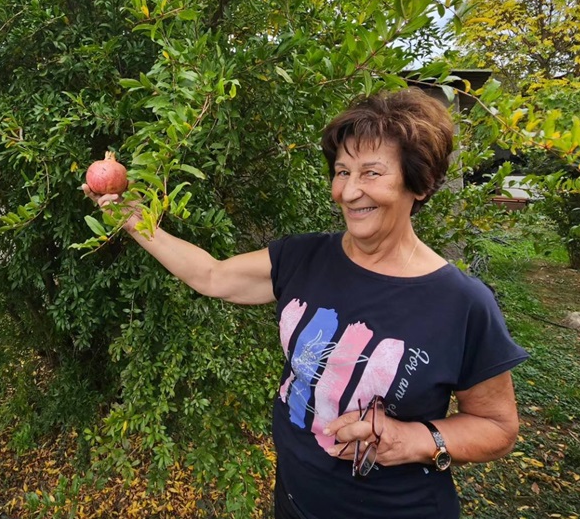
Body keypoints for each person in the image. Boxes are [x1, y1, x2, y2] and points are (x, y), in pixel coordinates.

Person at [82, 88, 528, 519]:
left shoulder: (460, 303)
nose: (350, 191)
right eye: (342, 171)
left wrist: (414, 439)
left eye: (371, 173)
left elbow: (498, 428)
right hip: (295, 500)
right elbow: (212, 275)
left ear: (421, 183)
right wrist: (132, 218)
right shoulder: (304, 258)